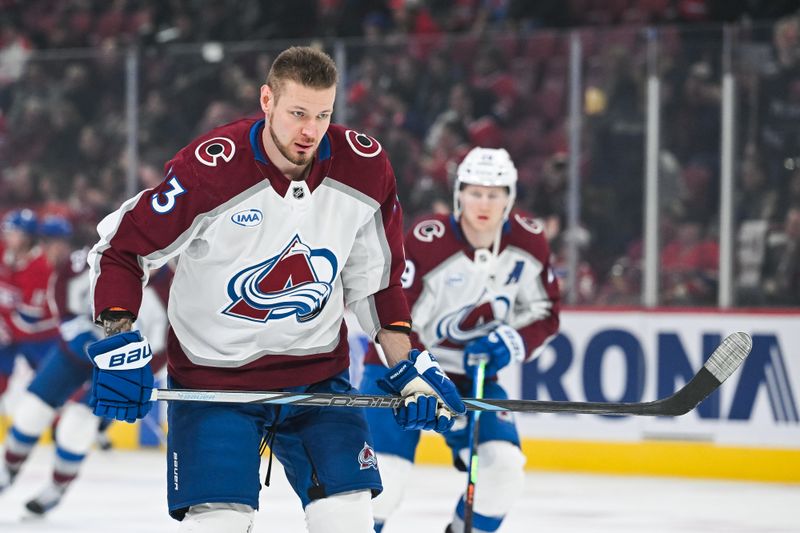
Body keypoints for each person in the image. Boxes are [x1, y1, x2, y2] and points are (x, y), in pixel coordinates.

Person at [85, 46, 465, 533]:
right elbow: (123, 248)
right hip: (214, 382)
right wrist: (118, 339)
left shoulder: (365, 169)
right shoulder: (212, 170)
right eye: (298, 113)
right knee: (217, 525)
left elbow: (377, 283)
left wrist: (409, 365)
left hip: (315, 380)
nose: (310, 131)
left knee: (347, 520)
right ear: (267, 100)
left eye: (323, 115)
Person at [360, 147, 561, 533]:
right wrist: (414, 371)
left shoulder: (530, 241)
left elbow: (545, 312)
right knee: (385, 485)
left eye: (494, 193)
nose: (483, 203)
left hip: (473, 378)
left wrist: (510, 341)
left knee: (503, 472)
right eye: (474, 191)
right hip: (399, 374)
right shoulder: (427, 240)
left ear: (510, 197)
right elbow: (393, 314)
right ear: (459, 194)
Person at [0, 214, 171, 516]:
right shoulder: (92, 261)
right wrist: (73, 330)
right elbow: (63, 291)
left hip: (116, 368)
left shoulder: (167, 290)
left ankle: (58, 486)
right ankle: (7, 469)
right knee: (31, 412)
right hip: (74, 351)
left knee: (76, 425)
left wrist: (132, 370)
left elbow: (163, 345)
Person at [0, 209, 60, 396]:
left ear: (27, 237)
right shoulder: (3, 251)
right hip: (9, 331)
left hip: (42, 337)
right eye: (6, 231)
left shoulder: (40, 266)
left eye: (13, 232)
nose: (7, 236)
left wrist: (3, 324)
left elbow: (28, 319)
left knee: (51, 390)